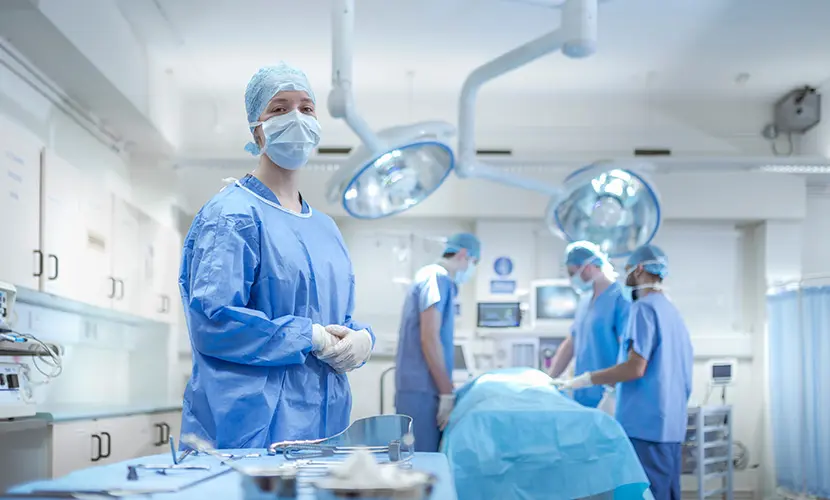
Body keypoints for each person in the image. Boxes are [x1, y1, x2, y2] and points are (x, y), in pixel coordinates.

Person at [178, 62, 374, 449]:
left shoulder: (326, 229)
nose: (296, 118)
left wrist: (360, 339)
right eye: (280, 108)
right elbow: (213, 322)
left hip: (326, 421)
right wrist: (308, 336)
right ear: (257, 128)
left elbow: (334, 319)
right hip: (251, 425)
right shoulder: (232, 215)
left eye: (306, 107)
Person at [554, 244, 693, 500]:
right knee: (665, 491)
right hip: (670, 422)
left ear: (639, 269)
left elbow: (635, 367)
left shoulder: (642, 308)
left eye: (628, 270)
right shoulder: (670, 311)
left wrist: (588, 379)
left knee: (643, 491)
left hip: (643, 422)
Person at [394, 233, 481, 452]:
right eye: (474, 262)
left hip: (419, 388)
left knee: (421, 460)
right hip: (422, 391)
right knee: (422, 464)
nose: (472, 269)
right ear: (463, 254)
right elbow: (429, 337)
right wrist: (446, 392)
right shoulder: (437, 277)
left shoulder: (434, 278)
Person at [547, 241, 630, 409]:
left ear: (589, 267)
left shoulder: (620, 298)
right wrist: (548, 380)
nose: (572, 279)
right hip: (583, 393)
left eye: (573, 273)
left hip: (610, 395)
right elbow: (571, 343)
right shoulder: (585, 301)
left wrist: (613, 393)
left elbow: (629, 351)